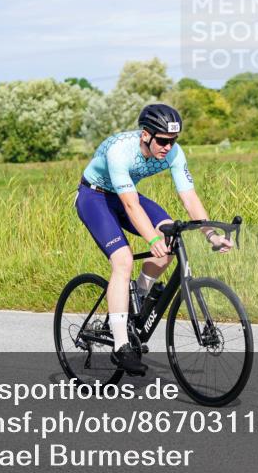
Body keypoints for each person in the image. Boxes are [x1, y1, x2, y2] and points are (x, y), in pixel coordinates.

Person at [75, 104, 232, 376]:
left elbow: (189, 197)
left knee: (170, 239)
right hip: (95, 197)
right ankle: (121, 346)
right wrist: (150, 240)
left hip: (125, 195)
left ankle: (137, 298)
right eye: (162, 141)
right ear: (145, 135)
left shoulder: (174, 153)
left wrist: (211, 235)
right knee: (123, 260)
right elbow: (130, 205)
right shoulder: (120, 151)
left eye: (173, 141)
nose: (168, 147)